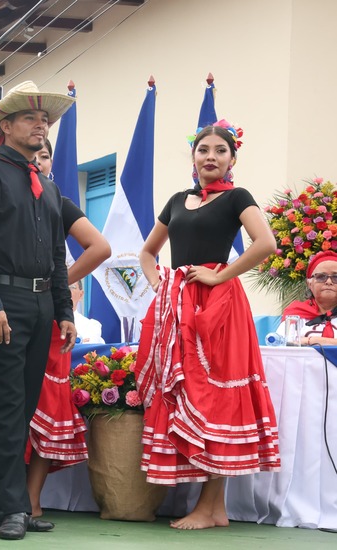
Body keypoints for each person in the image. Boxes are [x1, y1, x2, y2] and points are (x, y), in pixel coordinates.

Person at [137, 121, 280, 530]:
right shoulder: (178, 200)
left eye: (220, 150)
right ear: (194, 157)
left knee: (212, 396)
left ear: (232, 159)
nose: (211, 157)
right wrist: (160, 284)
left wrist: (220, 275)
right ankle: (212, 508)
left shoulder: (237, 197)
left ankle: (212, 505)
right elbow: (148, 252)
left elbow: (265, 243)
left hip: (218, 305)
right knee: (189, 392)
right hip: (179, 303)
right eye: (203, 150)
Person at [0, 81, 77, 541]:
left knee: (23, 406)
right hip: (3, 302)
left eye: (44, 119)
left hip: (41, 300)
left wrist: (64, 309)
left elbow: (56, 254)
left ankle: (0, 502)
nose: (41, 124)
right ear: (5, 127)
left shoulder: (46, 186)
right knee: (7, 406)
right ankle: (13, 505)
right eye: (30, 118)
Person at [25, 139, 111, 517]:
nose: (37, 160)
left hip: (48, 313)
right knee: (5, 404)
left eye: (44, 155)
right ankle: (4, 493)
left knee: (46, 404)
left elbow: (99, 247)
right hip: (5, 310)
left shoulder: (58, 201)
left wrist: (56, 283)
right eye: (32, 154)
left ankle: (31, 497)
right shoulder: (0, 194)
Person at [281, 250, 337, 345]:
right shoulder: (295, 314)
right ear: (309, 284)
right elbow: (280, 345)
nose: (328, 281)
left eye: (336, 277)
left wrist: (312, 341)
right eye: (321, 277)